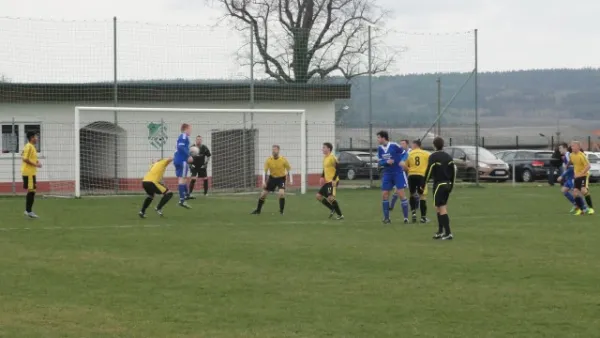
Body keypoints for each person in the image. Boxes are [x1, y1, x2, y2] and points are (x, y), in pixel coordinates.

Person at [422, 136, 456, 240]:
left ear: (434, 145)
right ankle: (440, 231)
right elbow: (453, 172)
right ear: (443, 145)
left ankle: (448, 233)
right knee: (438, 207)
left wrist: (423, 183)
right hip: (448, 184)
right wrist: (451, 186)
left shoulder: (433, 156)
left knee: (441, 208)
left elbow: (429, 170)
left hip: (439, 185)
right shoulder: (448, 157)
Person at [377, 131, 409, 224]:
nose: (378, 139)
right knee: (385, 194)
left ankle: (406, 218)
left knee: (401, 194)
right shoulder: (380, 149)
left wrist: (402, 161)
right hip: (387, 173)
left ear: (384, 138)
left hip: (398, 172)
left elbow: (405, 153)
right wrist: (386, 162)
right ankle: (387, 218)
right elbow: (380, 162)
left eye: (379, 137)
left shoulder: (394, 145)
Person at [251, 145, 292, 215]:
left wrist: (291, 180)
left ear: (278, 150)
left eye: (275, 149)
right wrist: (264, 181)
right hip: (272, 178)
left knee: (281, 193)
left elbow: (289, 170)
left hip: (281, 179)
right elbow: (265, 171)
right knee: (263, 194)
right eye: (273, 150)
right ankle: (258, 210)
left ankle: (281, 212)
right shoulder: (269, 160)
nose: (273, 151)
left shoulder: (283, 160)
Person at [316, 142, 343, 220]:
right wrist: (322, 177)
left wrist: (334, 179)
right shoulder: (325, 158)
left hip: (332, 182)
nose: (322, 149)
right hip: (327, 182)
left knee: (330, 198)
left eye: (324, 147)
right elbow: (325, 169)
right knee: (318, 196)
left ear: (328, 149)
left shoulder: (332, 157)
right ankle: (332, 208)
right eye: (323, 147)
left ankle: (340, 215)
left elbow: (338, 168)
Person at [406, 139, 430, 223]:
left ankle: (413, 214)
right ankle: (423, 217)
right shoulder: (426, 154)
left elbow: (404, 165)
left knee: (412, 194)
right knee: (422, 196)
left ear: (415, 145)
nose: (411, 147)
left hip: (411, 175)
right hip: (421, 176)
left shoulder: (409, 154)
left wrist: (409, 170)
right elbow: (430, 164)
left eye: (412, 145)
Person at [569, 141, 594, 215]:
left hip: (584, 175)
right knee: (575, 193)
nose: (571, 147)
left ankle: (591, 208)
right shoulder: (571, 155)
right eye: (571, 146)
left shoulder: (582, 155)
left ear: (578, 147)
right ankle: (581, 210)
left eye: (573, 146)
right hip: (577, 176)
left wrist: (580, 173)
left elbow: (588, 166)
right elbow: (574, 164)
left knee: (583, 190)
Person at [22, 131, 41, 218]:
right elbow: (25, 159)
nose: (36, 139)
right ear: (31, 138)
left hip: (31, 172)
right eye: (35, 137)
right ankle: (28, 211)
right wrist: (36, 164)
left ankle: (28, 210)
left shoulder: (32, 147)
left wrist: (37, 162)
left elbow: (31, 158)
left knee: (32, 191)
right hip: (28, 172)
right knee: (32, 191)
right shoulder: (28, 146)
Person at [173, 123, 193, 208]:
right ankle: (182, 200)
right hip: (182, 161)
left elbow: (179, 147)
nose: (191, 131)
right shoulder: (184, 136)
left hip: (177, 160)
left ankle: (186, 195)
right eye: (190, 129)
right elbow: (181, 147)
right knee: (182, 179)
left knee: (182, 178)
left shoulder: (180, 137)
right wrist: (189, 155)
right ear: (186, 129)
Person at [556, 143, 578, 213]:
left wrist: (562, 175)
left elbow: (571, 168)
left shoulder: (568, 155)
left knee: (575, 193)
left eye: (560, 148)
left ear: (565, 148)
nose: (559, 150)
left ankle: (583, 207)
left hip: (572, 177)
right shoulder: (565, 156)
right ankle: (576, 204)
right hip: (568, 178)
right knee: (564, 190)